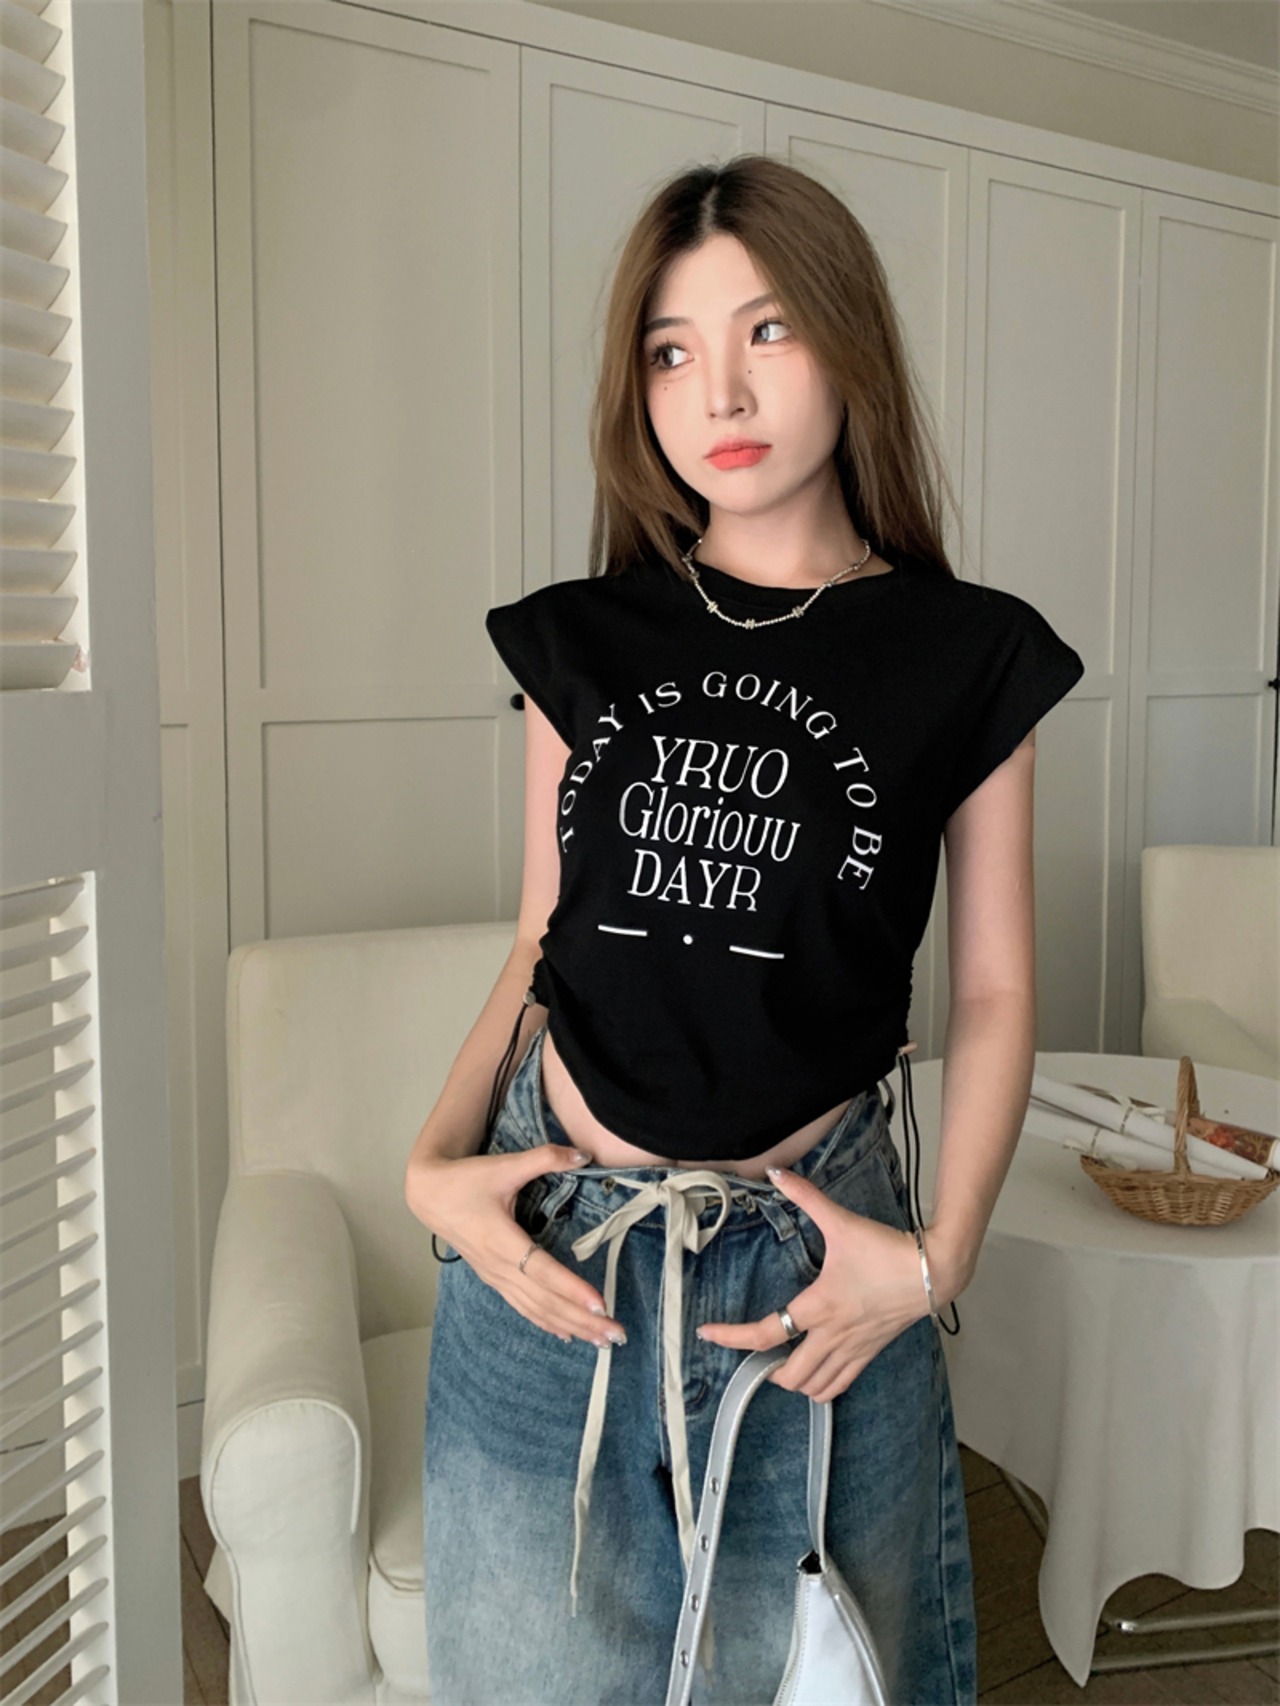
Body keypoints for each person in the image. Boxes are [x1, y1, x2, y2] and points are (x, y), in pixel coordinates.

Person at [405, 153, 1084, 1705]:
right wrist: (431, 1161)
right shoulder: (580, 639)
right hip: (555, 1252)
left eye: (768, 328)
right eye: (671, 348)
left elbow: (993, 989)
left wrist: (941, 1255)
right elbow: (542, 941)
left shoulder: (968, 654)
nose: (718, 388)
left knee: (839, 1673)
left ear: (851, 341)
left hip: (811, 1264)